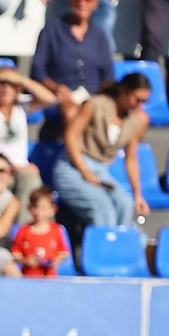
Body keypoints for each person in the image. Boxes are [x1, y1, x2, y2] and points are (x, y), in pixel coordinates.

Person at [52, 71, 151, 230]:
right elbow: (70, 135)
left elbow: (131, 159)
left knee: (125, 204)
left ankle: (119, 249)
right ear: (124, 91)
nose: (139, 105)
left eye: (144, 101)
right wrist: (84, 170)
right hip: (72, 167)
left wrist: (138, 195)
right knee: (103, 209)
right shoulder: (96, 104)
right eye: (137, 99)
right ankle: (102, 251)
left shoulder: (135, 120)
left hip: (100, 173)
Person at [29, 0, 115, 117]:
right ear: (69, 1)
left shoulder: (99, 36)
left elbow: (108, 75)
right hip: (60, 97)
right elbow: (37, 71)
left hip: (93, 96)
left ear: (95, 3)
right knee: (71, 111)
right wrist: (56, 87)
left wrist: (100, 96)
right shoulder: (52, 30)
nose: (81, 2)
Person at [0, 67, 51, 210]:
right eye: (1, 82)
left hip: (19, 169)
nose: (6, 88)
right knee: (23, 179)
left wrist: (21, 79)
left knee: (33, 184)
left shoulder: (20, 106)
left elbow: (50, 99)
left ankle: (22, 229)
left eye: (12, 84)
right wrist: (15, 166)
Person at [12, 187, 72, 275]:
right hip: (28, 278)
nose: (39, 212)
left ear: (53, 209)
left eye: (43, 208)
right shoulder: (23, 230)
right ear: (29, 208)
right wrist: (26, 261)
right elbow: (15, 254)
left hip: (50, 278)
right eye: (35, 207)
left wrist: (56, 261)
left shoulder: (57, 230)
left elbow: (63, 252)